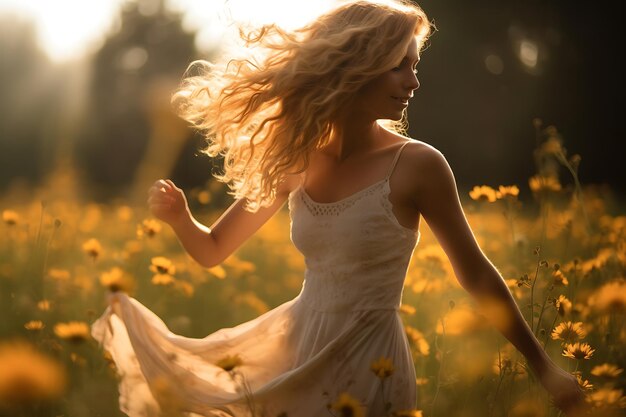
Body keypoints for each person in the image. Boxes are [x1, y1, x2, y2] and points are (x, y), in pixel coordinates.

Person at [91, 0, 590, 416]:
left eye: (415, 66)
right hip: (294, 349)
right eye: (401, 66)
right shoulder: (296, 158)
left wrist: (543, 367)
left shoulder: (419, 165)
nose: (413, 83)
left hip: (372, 363)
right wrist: (181, 218)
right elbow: (213, 250)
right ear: (358, 66)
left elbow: (476, 274)